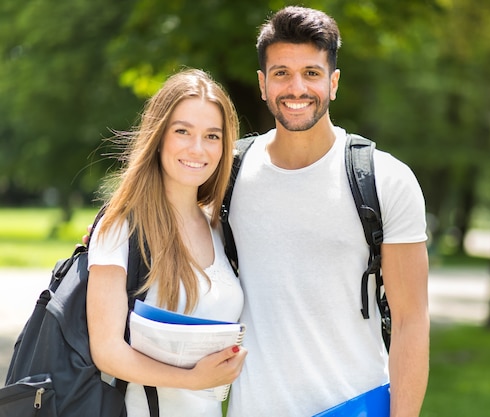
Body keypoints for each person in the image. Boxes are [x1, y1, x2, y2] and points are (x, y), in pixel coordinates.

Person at [225, 6, 429, 417]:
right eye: (281, 73)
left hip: (356, 406)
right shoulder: (227, 173)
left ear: (333, 83)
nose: (296, 87)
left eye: (312, 73)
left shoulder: (386, 179)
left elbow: (411, 322)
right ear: (263, 85)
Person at [86, 68, 247, 417]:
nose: (197, 148)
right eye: (182, 131)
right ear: (159, 137)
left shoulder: (219, 227)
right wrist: (192, 379)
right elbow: (107, 351)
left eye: (212, 136)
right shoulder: (121, 227)